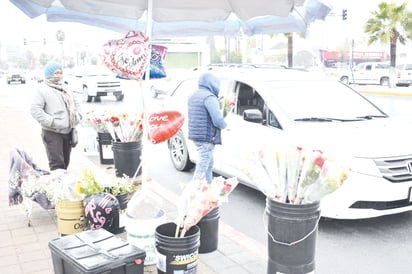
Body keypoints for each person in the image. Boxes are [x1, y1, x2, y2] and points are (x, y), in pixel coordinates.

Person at [30, 62, 81, 170]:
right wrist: (52, 122)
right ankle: (57, 186)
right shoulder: (42, 89)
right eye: (55, 73)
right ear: (48, 74)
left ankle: (62, 185)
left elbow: (76, 103)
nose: (58, 75)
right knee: (57, 164)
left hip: (68, 132)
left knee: (65, 163)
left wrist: (78, 116)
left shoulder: (66, 88)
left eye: (60, 72)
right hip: (52, 133)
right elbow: (35, 110)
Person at [188, 72, 227, 184]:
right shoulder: (209, 97)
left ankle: (209, 188)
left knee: (209, 164)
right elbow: (218, 120)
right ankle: (192, 193)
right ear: (213, 84)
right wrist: (224, 125)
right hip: (206, 137)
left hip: (196, 135)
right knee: (202, 166)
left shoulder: (193, 95)